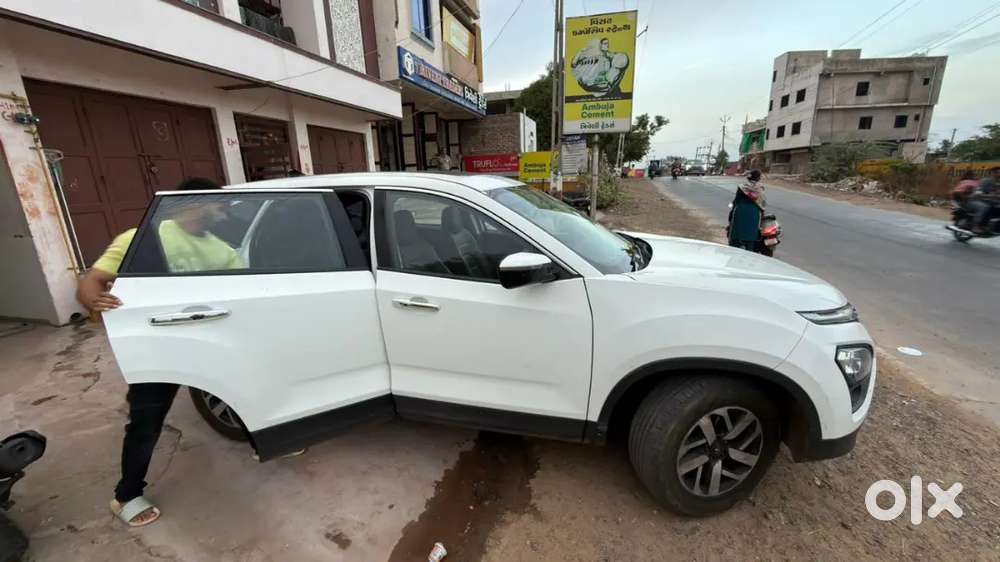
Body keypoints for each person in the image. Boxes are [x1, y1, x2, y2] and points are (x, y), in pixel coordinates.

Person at [77, 178, 246, 527]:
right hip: (158, 347)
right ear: (194, 204)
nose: (225, 213)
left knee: (244, 397)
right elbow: (91, 282)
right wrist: (93, 300)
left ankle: (272, 438)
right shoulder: (140, 239)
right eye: (219, 205)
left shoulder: (223, 251)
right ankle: (127, 494)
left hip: (211, 342)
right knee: (146, 422)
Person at [728, 170, 766, 251]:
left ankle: (733, 249)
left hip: (740, 211)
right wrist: (762, 215)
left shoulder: (742, 187)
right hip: (754, 213)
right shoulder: (760, 188)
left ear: (749, 178)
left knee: (736, 233)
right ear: (758, 178)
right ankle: (749, 250)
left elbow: (736, 201)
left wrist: (731, 214)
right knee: (751, 234)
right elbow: (762, 204)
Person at [968, 167, 1000, 234]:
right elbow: (978, 193)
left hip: (991, 202)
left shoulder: (998, 183)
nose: (999, 174)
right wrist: (990, 196)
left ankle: (992, 226)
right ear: (993, 173)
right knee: (984, 207)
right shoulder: (985, 181)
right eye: (998, 172)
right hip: (977, 201)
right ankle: (975, 226)